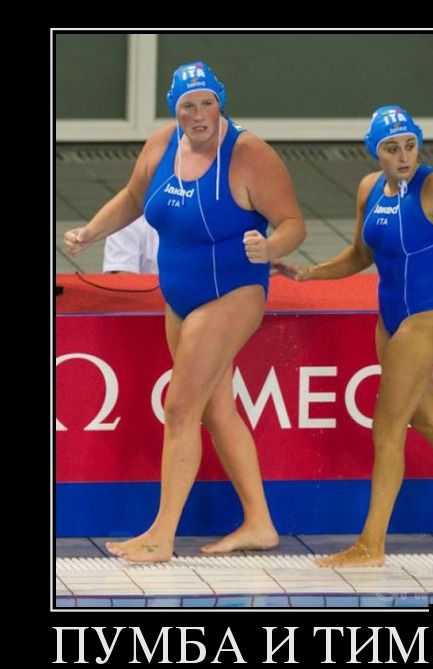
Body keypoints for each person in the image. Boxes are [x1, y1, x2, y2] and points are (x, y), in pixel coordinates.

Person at [64, 61, 306, 562]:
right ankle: (260, 523)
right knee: (216, 408)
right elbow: (134, 198)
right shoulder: (161, 144)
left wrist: (270, 246)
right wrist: (91, 231)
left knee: (179, 409)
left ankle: (161, 534)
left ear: (221, 102)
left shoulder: (248, 155)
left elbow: (292, 223)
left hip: (232, 292)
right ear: (174, 110)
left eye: (207, 104)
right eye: (187, 106)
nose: (198, 116)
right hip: (180, 295)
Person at [275, 105, 433, 567]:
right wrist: (308, 274)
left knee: (387, 427)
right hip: (391, 319)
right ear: (375, 152)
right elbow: (360, 255)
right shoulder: (369, 188)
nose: (403, 157)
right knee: (427, 417)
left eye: (410, 146)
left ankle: (371, 544)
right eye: (392, 148)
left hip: (426, 317)